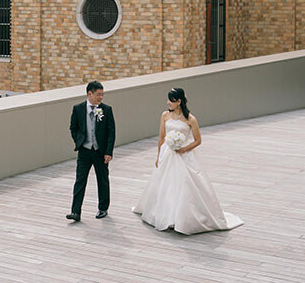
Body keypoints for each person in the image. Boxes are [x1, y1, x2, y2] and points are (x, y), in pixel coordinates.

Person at [132, 87, 243, 234]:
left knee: (184, 186)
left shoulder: (190, 119)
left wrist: (183, 149)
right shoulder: (165, 115)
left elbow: (198, 140)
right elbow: (161, 138)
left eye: (171, 100)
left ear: (178, 101)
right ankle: (165, 215)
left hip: (184, 155)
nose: (168, 103)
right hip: (167, 154)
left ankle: (181, 218)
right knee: (166, 185)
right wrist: (158, 156)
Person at [67, 80, 116, 222]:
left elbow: (111, 132)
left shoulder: (106, 110)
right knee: (80, 181)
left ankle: (103, 208)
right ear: (90, 93)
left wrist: (108, 152)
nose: (101, 97)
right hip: (85, 151)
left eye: (102, 95)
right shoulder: (78, 109)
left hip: (100, 151)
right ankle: (75, 212)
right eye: (98, 94)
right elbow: (73, 128)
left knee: (103, 180)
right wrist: (79, 142)